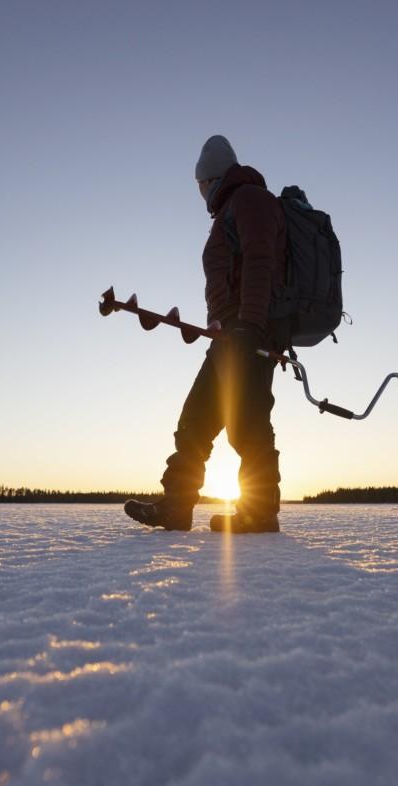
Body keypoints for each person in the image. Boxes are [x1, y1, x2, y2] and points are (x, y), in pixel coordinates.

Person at [124, 135, 287, 533]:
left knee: (247, 425)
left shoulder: (250, 199)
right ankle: (176, 507)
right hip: (228, 336)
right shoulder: (232, 208)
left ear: (211, 179)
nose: (200, 194)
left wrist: (249, 325)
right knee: (195, 422)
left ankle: (260, 512)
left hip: (248, 334)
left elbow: (260, 260)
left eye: (200, 186)